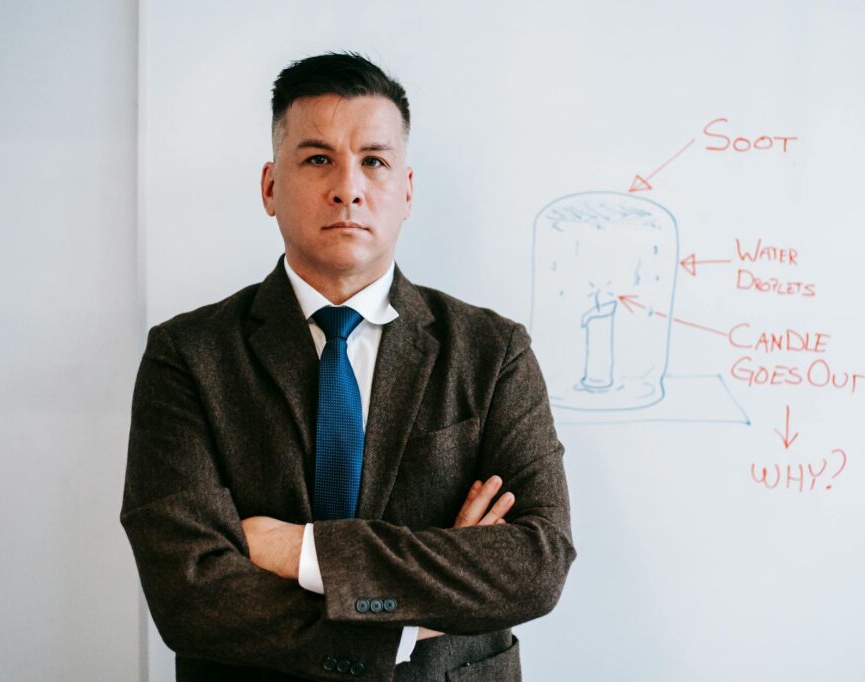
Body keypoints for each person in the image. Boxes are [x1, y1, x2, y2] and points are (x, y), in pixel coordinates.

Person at [120, 52, 576, 681]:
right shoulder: (187, 356)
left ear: (407, 190)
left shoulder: (493, 353)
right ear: (270, 187)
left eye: (374, 161)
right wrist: (411, 619)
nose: (349, 187)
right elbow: (189, 594)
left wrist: (301, 551)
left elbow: (537, 561)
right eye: (317, 159)